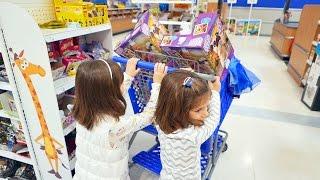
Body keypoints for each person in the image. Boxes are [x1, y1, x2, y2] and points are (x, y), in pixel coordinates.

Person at [72, 58, 167, 180]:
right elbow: (148, 116)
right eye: (121, 82)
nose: (123, 83)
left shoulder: (81, 112)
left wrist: (127, 76)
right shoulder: (115, 126)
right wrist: (157, 84)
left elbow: (110, 93)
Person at [154, 70, 221, 180]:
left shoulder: (159, 122)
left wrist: (157, 83)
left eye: (206, 106)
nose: (206, 113)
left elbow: (161, 101)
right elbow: (213, 119)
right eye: (198, 110)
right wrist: (215, 92)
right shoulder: (193, 136)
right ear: (177, 110)